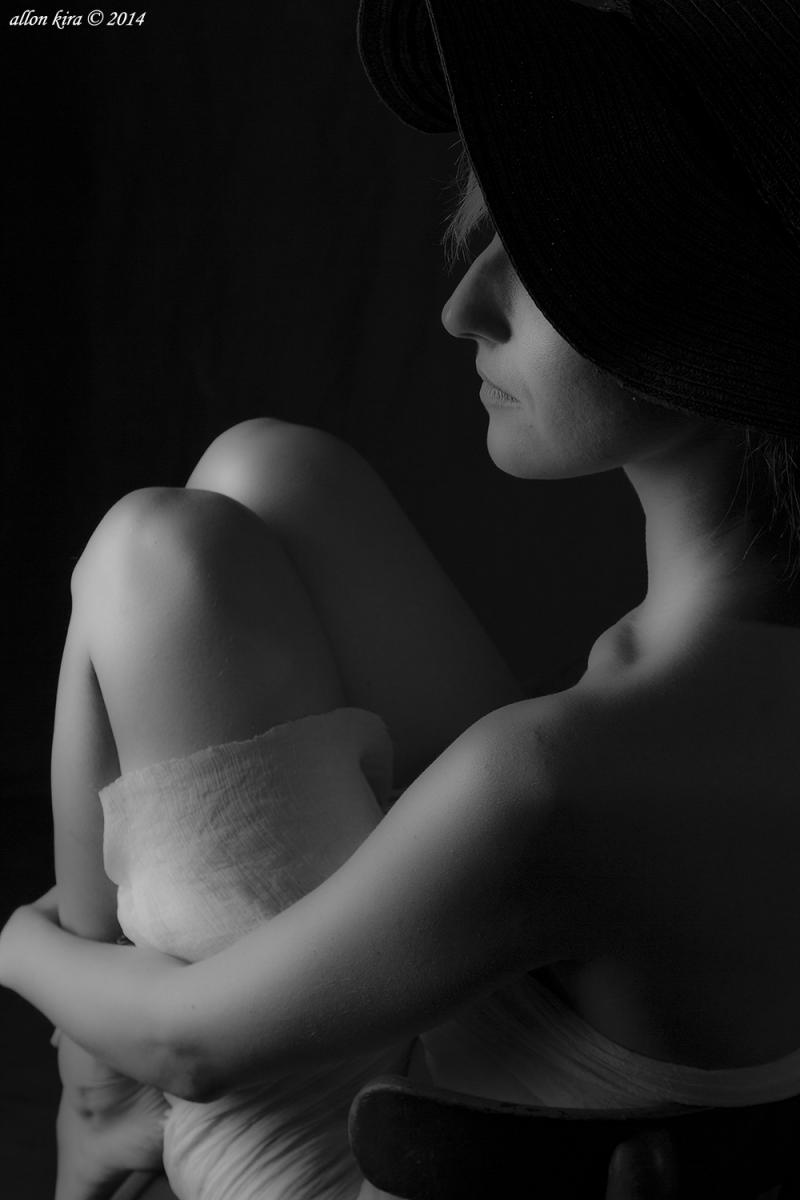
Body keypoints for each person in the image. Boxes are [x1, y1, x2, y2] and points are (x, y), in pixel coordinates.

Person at [3, 1, 800, 1197]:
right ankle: (98, 1092)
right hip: (493, 1032)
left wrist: (13, 944)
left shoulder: (560, 778)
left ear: (712, 315)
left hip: (362, 1161)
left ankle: (96, 1101)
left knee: (145, 552)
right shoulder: (714, 686)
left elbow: (190, 1047)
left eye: (537, 264)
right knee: (274, 469)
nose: (463, 306)